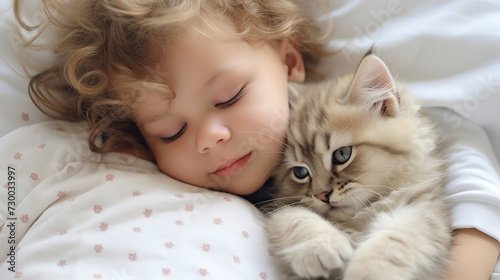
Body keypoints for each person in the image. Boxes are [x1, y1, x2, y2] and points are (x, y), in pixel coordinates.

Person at [12, 0, 500, 279]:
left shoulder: (331, 110)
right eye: (171, 131)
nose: (209, 138)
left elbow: (459, 151)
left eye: (227, 97)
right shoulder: (139, 176)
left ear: (290, 65)